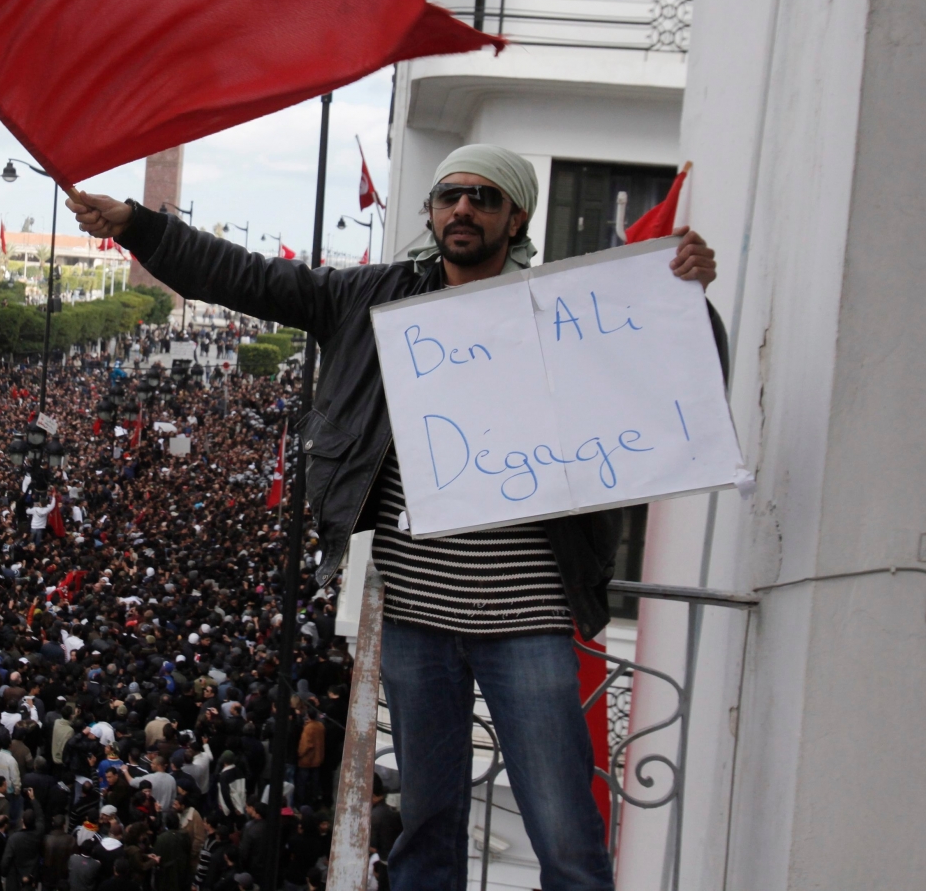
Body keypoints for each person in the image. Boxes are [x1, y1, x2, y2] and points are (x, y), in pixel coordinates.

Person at [67, 144, 719, 891]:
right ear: (432, 213)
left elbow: (675, 384)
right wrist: (140, 229)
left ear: (518, 216)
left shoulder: (565, 310)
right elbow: (250, 278)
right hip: (415, 615)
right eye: (448, 197)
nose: (462, 209)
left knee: (568, 837)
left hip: (528, 616)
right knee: (426, 827)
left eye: (482, 196)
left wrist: (686, 300)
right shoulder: (372, 300)